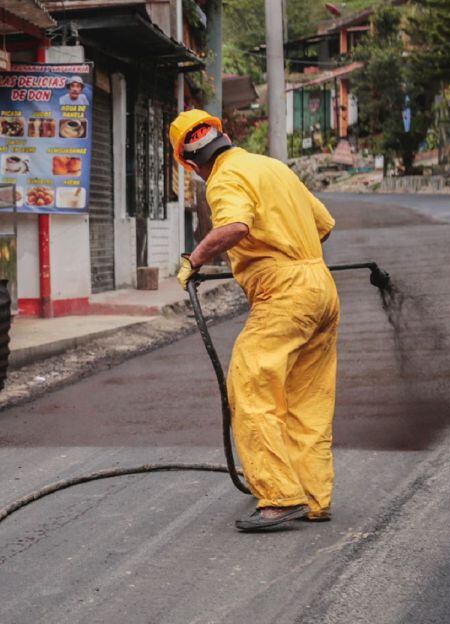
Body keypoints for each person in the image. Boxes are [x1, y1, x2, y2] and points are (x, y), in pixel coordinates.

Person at [170, 109, 339, 532]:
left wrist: (195, 259)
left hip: (284, 295)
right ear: (223, 137)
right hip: (321, 287)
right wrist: (282, 243)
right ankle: (314, 497)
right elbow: (324, 225)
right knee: (307, 399)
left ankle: (280, 497)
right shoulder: (271, 167)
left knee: (250, 386)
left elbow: (235, 225)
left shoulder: (225, 177)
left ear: (191, 164)